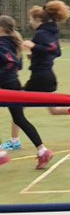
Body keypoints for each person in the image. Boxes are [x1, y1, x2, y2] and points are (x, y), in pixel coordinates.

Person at [1, 0, 70, 166]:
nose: (30, 23)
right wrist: (36, 55)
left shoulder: (41, 34)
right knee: (50, 111)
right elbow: (56, 51)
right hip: (45, 76)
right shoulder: (51, 32)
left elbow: (52, 50)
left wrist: (34, 47)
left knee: (18, 112)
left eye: (31, 20)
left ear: (38, 20)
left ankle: (13, 142)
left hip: (39, 78)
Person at [0, 15, 52, 169]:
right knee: (19, 118)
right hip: (13, 84)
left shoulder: (2, 44)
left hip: (4, 86)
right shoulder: (14, 43)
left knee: (19, 118)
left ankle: (1, 154)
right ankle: (42, 151)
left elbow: (10, 62)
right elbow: (18, 65)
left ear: (2, 28)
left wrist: (3, 74)